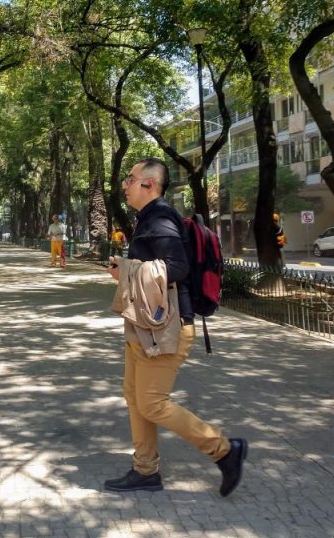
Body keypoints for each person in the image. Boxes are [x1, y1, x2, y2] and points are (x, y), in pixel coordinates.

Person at [105, 157, 247, 496]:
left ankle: (225, 450)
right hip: (146, 325)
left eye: (131, 178)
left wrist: (126, 270)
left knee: (152, 402)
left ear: (149, 185)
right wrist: (127, 267)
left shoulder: (161, 219)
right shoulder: (149, 218)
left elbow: (177, 267)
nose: (125, 184)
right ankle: (145, 470)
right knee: (135, 398)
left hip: (166, 328)